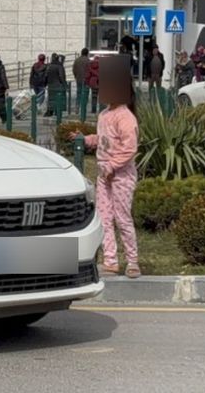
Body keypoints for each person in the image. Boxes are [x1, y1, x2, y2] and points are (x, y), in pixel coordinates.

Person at [77, 59, 141, 278]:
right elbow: (104, 139)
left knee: (122, 218)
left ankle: (132, 261)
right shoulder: (105, 115)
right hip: (104, 175)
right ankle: (110, 260)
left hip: (121, 176)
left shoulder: (126, 117)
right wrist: (87, 140)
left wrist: (113, 166)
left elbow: (129, 148)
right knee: (104, 217)